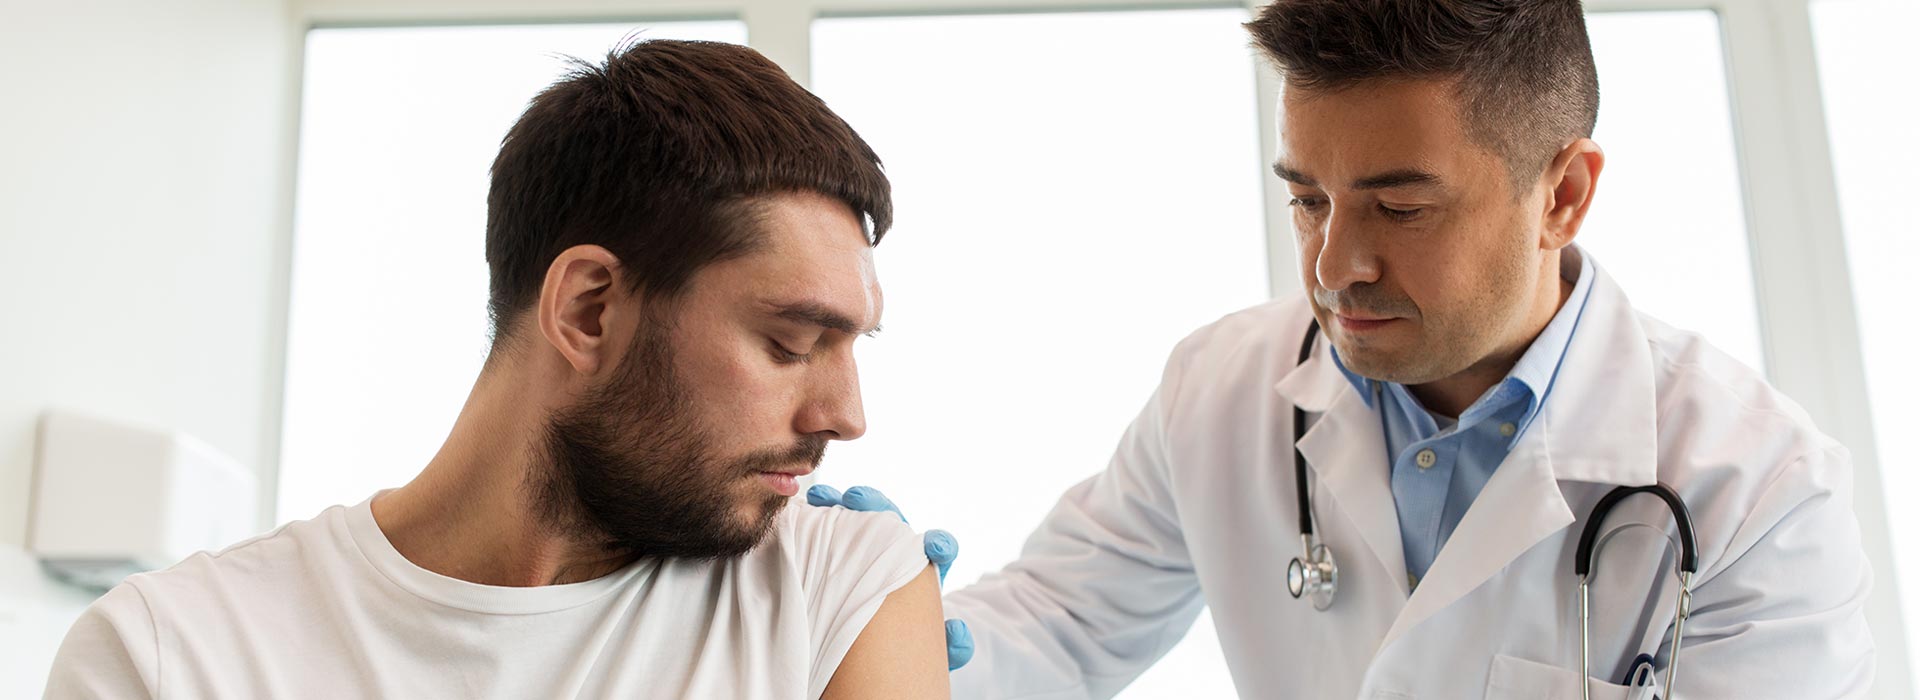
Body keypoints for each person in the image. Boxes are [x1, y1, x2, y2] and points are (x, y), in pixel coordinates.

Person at [814, 0, 1876, 696]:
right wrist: (881, 618)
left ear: (1563, 193)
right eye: (1307, 199)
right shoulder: (1221, 390)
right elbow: (1058, 620)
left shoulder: (1757, 493)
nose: (1334, 267)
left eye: (1399, 208)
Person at [44, 39, 948, 699]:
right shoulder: (174, 656)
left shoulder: (837, 586)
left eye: (855, 345)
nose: (844, 414)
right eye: (791, 344)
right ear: (590, 309)